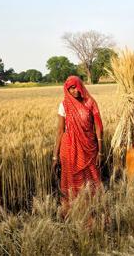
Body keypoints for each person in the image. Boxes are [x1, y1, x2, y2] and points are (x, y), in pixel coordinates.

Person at [52, 76, 103, 211]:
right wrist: (55, 156)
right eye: (70, 89)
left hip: (89, 148)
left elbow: (99, 127)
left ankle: (92, 209)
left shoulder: (90, 102)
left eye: (76, 87)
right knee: (70, 180)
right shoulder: (64, 105)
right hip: (68, 148)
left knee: (91, 178)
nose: (74, 91)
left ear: (81, 86)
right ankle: (72, 210)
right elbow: (60, 131)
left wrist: (100, 150)